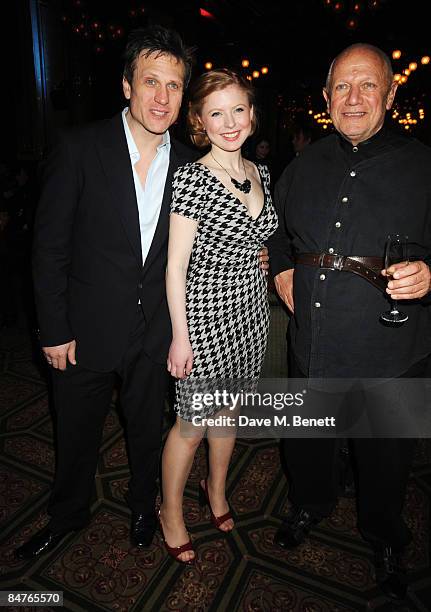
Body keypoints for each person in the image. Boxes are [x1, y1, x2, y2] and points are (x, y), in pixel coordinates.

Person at [15, 25, 198, 560]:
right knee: (74, 434)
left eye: (174, 85)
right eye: (151, 82)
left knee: (146, 432)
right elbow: (48, 249)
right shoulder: (79, 148)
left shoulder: (191, 166)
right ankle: (68, 514)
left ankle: (144, 507)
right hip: (82, 330)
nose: (162, 97)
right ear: (126, 86)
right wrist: (53, 328)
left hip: (153, 333)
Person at [268, 43, 431, 601]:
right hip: (312, 339)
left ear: (390, 93)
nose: (354, 98)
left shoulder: (424, 165)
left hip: (391, 346)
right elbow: (275, 230)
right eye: (342, 86)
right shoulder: (305, 162)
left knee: (385, 456)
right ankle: (309, 504)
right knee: (308, 442)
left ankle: (386, 536)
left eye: (368, 85)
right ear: (326, 97)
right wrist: (284, 269)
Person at [158, 69, 278, 563]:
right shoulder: (192, 177)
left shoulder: (261, 172)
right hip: (205, 320)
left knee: (227, 414)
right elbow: (175, 267)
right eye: (216, 113)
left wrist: (261, 256)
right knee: (191, 424)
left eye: (238, 110)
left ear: (251, 114)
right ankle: (170, 510)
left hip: (251, 315)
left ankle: (216, 491)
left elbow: (256, 238)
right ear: (200, 122)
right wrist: (181, 338)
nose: (229, 122)